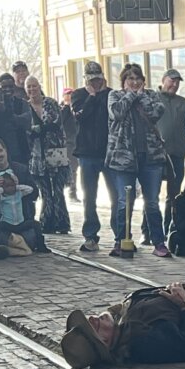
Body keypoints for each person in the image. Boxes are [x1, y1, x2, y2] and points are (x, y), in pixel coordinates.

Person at [106, 63, 168, 258]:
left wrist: (140, 96)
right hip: (123, 159)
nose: (134, 82)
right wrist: (131, 95)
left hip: (150, 158)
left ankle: (158, 242)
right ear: (123, 81)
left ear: (143, 80)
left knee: (152, 202)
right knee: (124, 202)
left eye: (137, 79)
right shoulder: (114, 96)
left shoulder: (151, 96)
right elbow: (116, 113)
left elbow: (156, 112)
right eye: (130, 79)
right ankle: (122, 241)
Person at [71, 61, 117, 254]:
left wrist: (103, 93)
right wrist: (91, 96)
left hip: (109, 152)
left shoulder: (111, 94)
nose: (96, 83)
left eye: (98, 79)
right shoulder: (78, 95)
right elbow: (81, 117)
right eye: (92, 80)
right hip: (87, 153)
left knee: (117, 196)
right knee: (89, 196)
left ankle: (121, 235)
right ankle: (91, 235)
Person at [25, 75, 71, 235]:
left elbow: (56, 123)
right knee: (45, 191)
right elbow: (25, 130)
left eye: (34, 86)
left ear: (39, 86)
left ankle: (62, 221)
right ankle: (47, 222)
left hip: (55, 151)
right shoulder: (26, 107)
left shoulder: (50, 103)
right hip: (37, 155)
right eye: (29, 87)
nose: (32, 90)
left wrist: (40, 129)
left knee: (58, 190)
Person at [155, 69, 185, 235]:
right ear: (163, 80)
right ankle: (148, 231)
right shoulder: (153, 99)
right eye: (171, 80)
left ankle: (168, 228)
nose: (174, 84)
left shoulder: (184, 103)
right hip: (155, 155)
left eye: (177, 82)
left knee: (174, 194)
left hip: (178, 154)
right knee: (152, 194)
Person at [0, 166, 48, 255]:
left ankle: (41, 245)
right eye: (7, 186)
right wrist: (2, 189)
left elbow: (30, 189)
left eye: (12, 186)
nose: (10, 188)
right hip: (7, 224)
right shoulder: (1, 197)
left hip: (20, 223)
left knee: (36, 224)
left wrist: (16, 186)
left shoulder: (19, 193)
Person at [60, 88, 79, 201]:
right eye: (67, 95)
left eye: (71, 95)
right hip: (65, 143)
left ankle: (73, 192)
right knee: (63, 170)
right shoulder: (61, 108)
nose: (69, 97)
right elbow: (60, 121)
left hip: (75, 143)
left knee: (73, 170)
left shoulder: (76, 107)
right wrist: (66, 107)